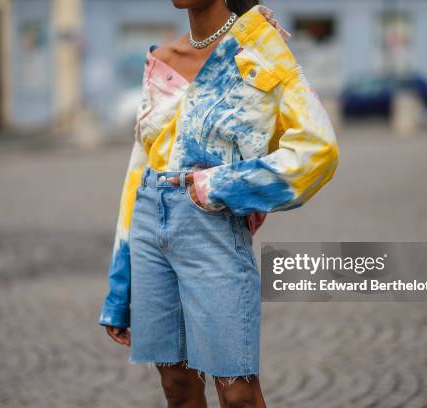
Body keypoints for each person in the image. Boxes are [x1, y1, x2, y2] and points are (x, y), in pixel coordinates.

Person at [99, 1, 338, 406]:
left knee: (238, 392)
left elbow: (318, 149)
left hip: (212, 230)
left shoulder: (259, 50)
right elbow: (139, 165)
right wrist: (119, 286)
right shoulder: (161, 59)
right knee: (176, 386)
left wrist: (222, 187)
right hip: (148, 226)